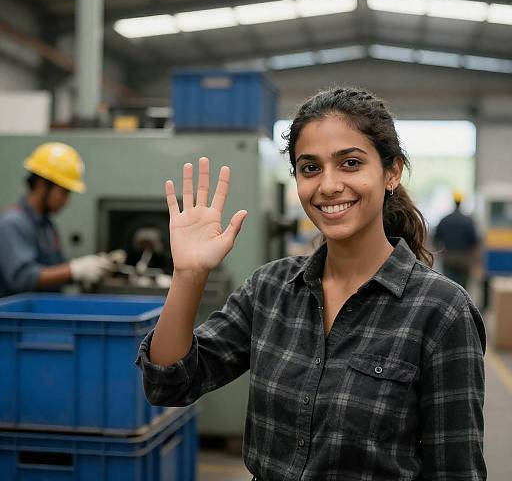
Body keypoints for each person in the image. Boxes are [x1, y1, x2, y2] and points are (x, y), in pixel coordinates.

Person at [136, 87, 486, 480]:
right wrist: (188, 275)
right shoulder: (269, 290)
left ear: (391, 172)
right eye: (310, 168)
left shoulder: (440, 310)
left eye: (350, 163)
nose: (328, 185)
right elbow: (169, 385)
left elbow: (456, 470)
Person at [0, 142, 115, 297]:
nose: (66, 201)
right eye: (64, 192)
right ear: (42, 185)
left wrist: (86, 272)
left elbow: (52, 271)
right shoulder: (13, 223)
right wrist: (75, 270)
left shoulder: (45, 225)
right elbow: (22, 278)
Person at [433, 191, 481, 290]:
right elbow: (474, 242)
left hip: (449, 257)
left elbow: (436, 239)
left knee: (449, 286)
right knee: (463, 288)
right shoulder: (468, 221)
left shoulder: (445, 219)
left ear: (453, 202)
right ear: (461, 202)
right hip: (464, 258)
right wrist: (476, 261)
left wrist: (441, 253)